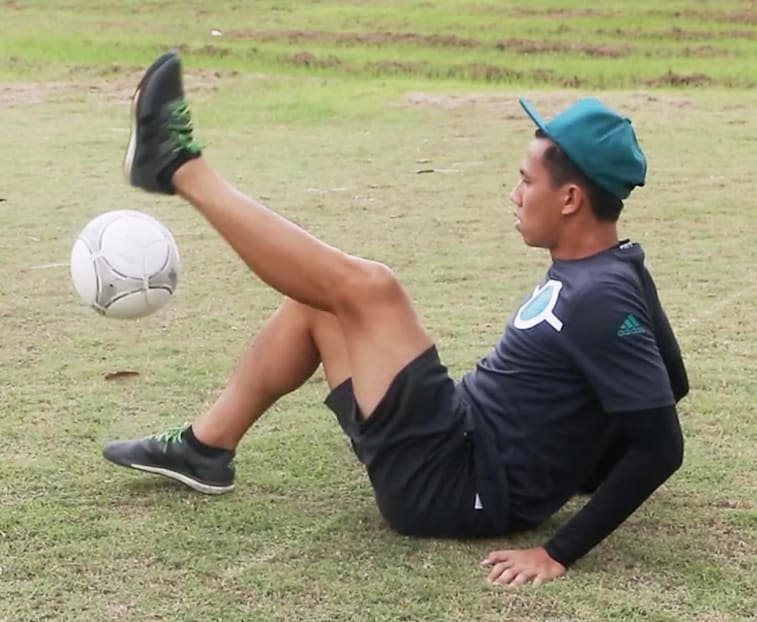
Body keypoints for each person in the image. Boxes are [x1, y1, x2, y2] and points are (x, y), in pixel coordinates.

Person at [103, 51, 689, 586]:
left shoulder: (600, 297)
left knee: (371, 289)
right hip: (456, 435)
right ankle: (204, 449)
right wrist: (580, 467)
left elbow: (660, 446)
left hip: (453, 484)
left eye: (526, 180)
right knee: (319, 301)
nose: (515, 194)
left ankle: (180, 168)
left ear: (570, 199)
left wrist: (558, 550)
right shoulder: (616, 267)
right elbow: (671, 379)